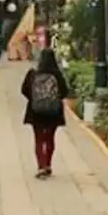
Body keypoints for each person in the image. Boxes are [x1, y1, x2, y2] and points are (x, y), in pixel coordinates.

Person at [21, 48, 70, 178]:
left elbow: (24, 90)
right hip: (54, 112)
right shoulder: (57, 75)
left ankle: (41, 166)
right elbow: (65, 92)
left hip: (35, 111)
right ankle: (48, 164)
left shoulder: (33, 73)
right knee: (49, 138)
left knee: (38, 139)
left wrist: (35, 99)